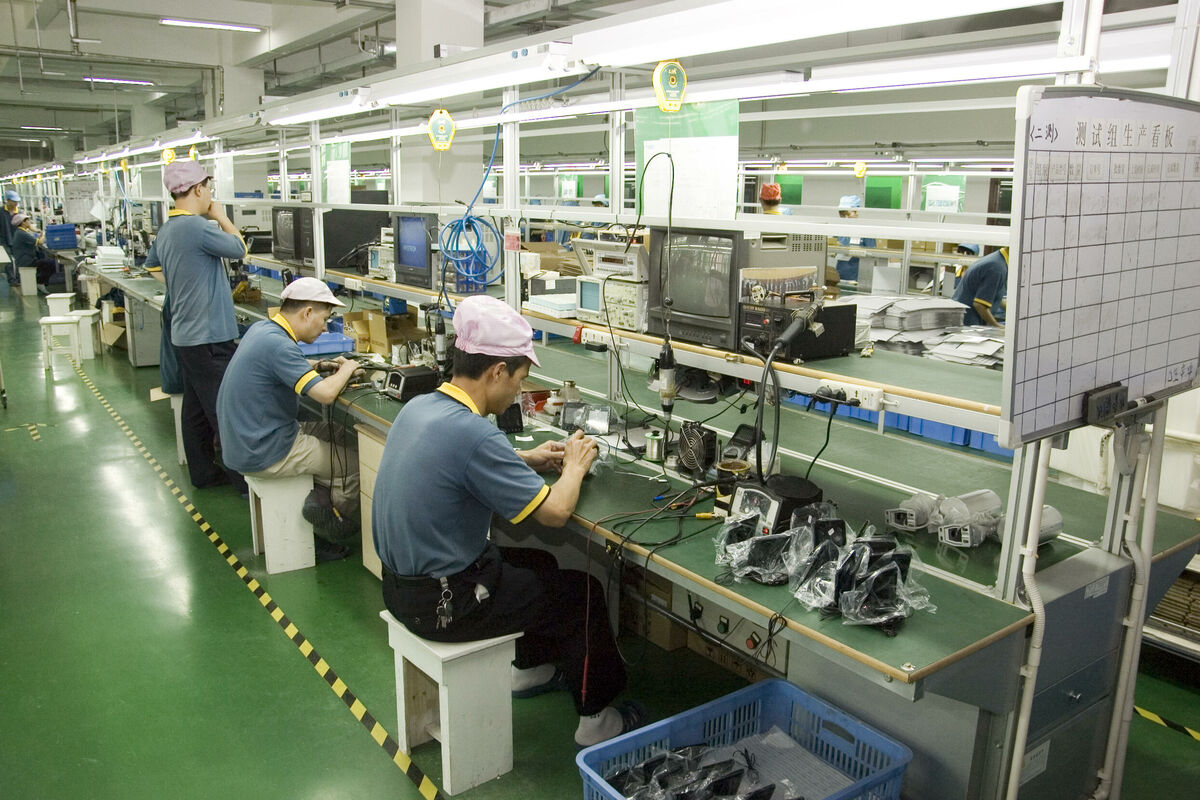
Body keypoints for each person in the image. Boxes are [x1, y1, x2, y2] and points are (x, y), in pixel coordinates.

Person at [373, 295, 642, 748]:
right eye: (519, 379)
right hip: (445, 605)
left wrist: (526, 459)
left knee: (540, 564)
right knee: (583, 595)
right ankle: (597, 720)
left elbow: (458, 463)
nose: (519, 391)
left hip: (403, 587)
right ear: (498, 371)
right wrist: (575, 466)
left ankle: (529, 671)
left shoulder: (423, 407)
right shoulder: (475, 432)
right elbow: (556, 513)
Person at [217, 277, 362, 562]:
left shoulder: (264, 330)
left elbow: (286, 363)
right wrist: (347, 369)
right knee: (355, 466)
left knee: (336, 432)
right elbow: (325, 395)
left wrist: (320, 365)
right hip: (266, 450)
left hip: (246, 439)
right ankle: (327, 527)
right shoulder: (279, 345)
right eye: (324, 319)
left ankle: (320, 493)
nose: (325, 327)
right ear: (307, 313)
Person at [144, 160, 249, 491]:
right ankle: (244, 484)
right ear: (199, 189)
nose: (210, 194)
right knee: (222, 409)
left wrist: (182, 284)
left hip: (185, 336)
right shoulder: (198, 228)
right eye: (209, 188)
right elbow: (239, 249)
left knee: (194, 409)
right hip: (209, 337)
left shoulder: (167, 229)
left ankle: (203, 474)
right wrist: (221, 216)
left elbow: (151, 266)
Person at [952, 246, 1008, 327]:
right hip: (968, 323)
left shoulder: (998, 260)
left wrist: (1012, 311)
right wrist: (996, 325)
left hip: (965, 319)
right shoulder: (997, 268)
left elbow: (994, 294)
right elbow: (980, 305)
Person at [833, 194, 876, 282]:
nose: (845, 217)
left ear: (856, 212)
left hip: (858, 274)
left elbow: (873, 253)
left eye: (847, 214)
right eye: (842, 214)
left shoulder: (865, 230)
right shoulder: (840, 230)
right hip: (840, 273)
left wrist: (858, 251)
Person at [9, 213, 60, 286]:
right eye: (28, 220)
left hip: (25, 259)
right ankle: (40, 282)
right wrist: (45, 233)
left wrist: (39, 233)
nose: (29, 222)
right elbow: (40, 242)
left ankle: (40, 282)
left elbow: (34, 242)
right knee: (52, 264)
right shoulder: (21, 233)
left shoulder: (20, 232)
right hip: (27, 262)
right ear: (23, 222)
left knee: (46, 261)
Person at [2, 190, 19, 285]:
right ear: (7, 201)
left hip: (16, 239)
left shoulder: (18, 213)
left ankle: (19, 278)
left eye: (17, 201)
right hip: (3, 240)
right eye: (14, 201)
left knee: (19, 259)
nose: (16, 203)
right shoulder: (1, 212)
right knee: (8, 261)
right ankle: (12, 280)